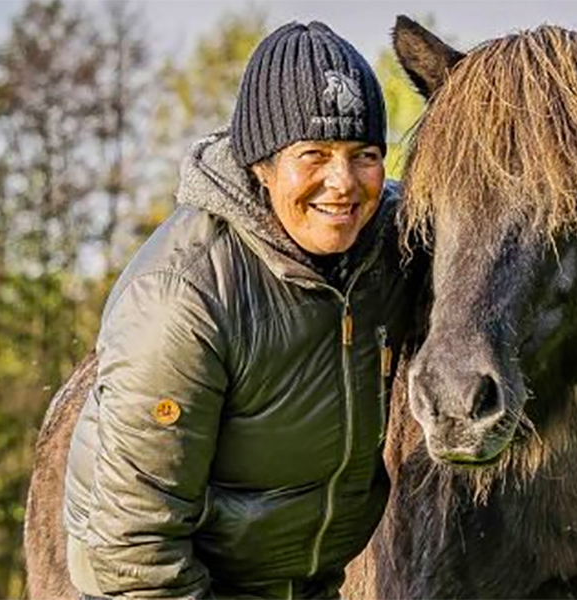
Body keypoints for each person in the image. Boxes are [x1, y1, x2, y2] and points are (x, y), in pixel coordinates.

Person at [62, 21, 424, 599]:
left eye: (366, 155)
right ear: (260, 163)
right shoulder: (184, 297)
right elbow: (133, 551)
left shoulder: (389, 246)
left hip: (305, 584)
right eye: (314, 154)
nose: (343, 183)